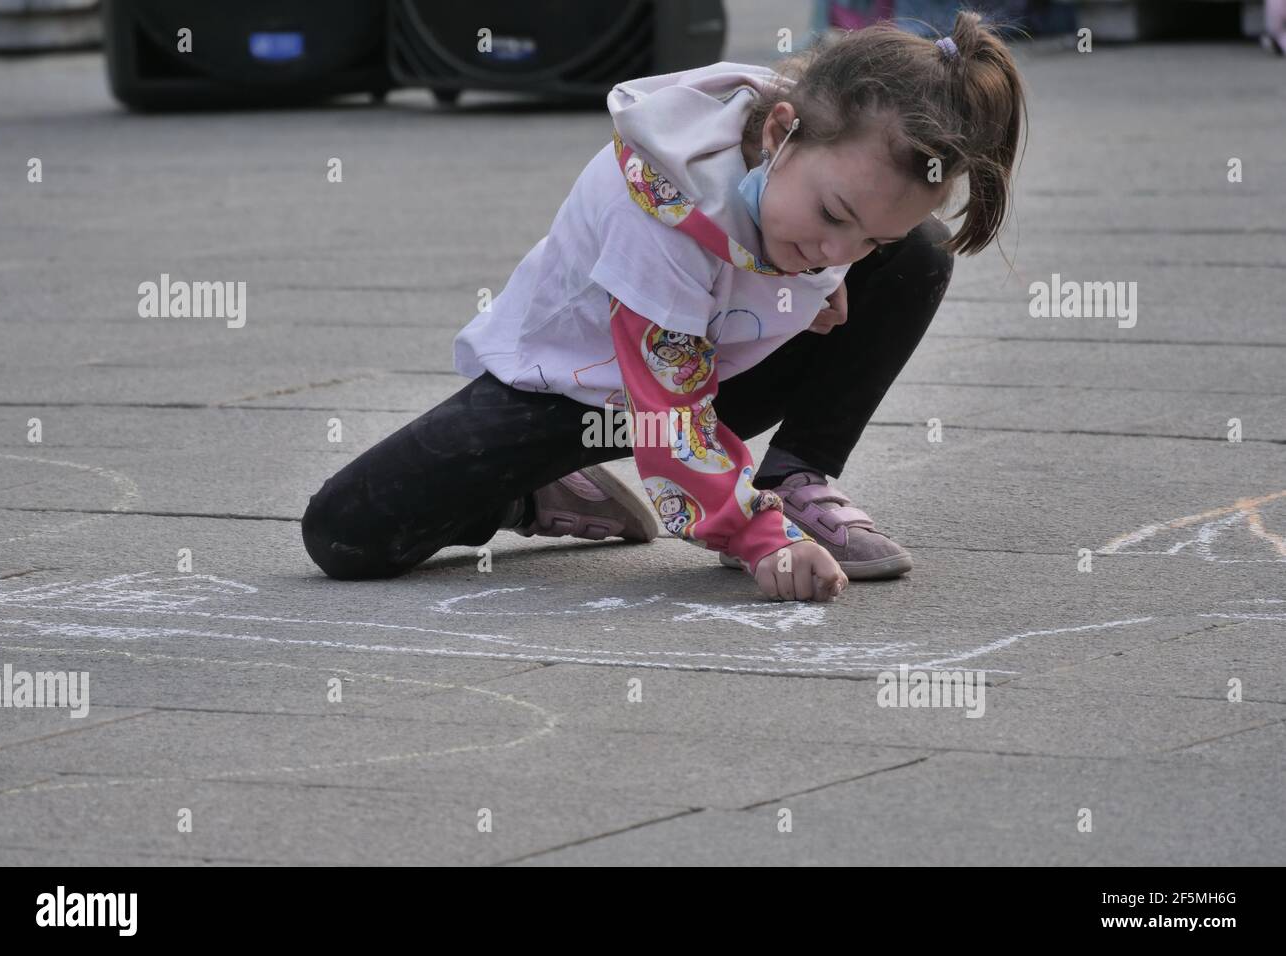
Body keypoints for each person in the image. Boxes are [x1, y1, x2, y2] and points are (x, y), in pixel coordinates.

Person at [301, 11, 1028, 603]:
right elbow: (664, 416)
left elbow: (848, 229)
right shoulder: (658, 205)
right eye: (834, 217)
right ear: (777, 134)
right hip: (574, 393)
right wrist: (758, 542)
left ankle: (796, 477)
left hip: (713, 373)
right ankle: (533, 492)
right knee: (346, 532)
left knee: (921, 253)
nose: (841, 249)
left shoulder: (826, 155)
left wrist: (822, 271)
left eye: (867, 235)